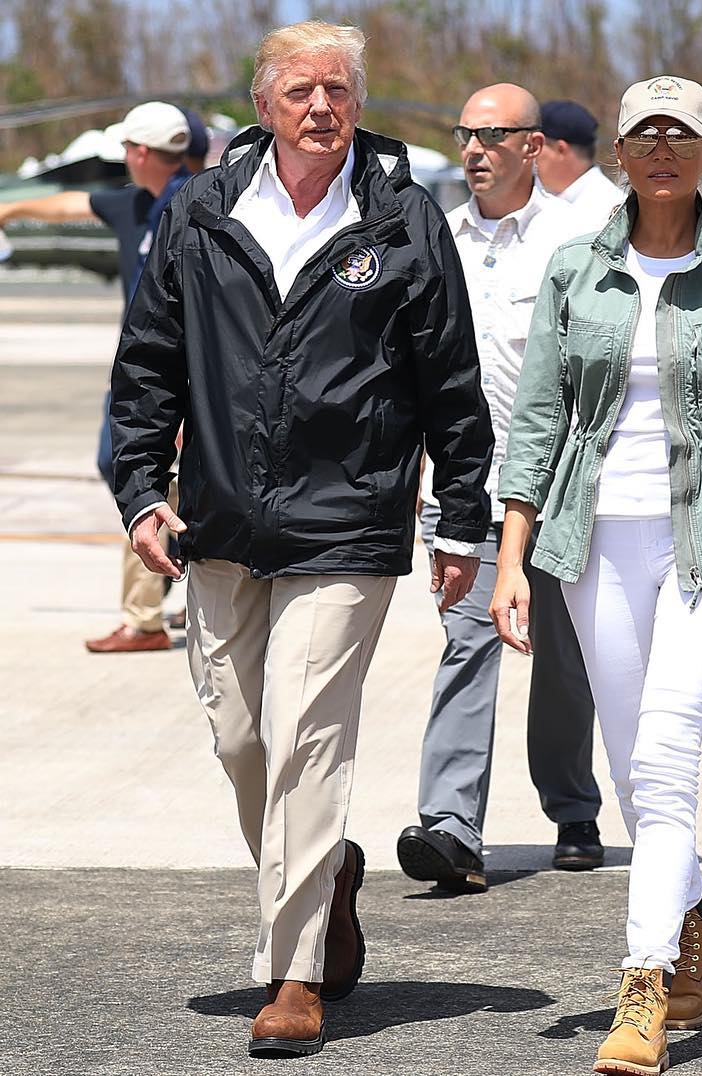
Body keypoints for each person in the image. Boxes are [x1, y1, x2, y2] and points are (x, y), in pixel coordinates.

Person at [109, 21, 492, 1058]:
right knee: (242, 740)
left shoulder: (403, 218)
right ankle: (328, 874)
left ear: (358, 103)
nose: (322, 107)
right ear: (263, 104)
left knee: (306, 735)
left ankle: (294, 972)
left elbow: (450, 379)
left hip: (348, 519)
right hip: (219, 522)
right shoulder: (200, 210)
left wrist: (460, 515)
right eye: (301, 91)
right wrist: (141, 491)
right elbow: (149, 362)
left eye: (339, 90)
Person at [490, 75, 702, 1075]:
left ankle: (642, 985)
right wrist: (511, 558)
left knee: (667, 750)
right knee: (635, 764)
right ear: (621, 156)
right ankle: (692, 924)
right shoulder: (575, 269)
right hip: (593, 541)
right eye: (646, 135)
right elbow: (538, 421)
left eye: (682, 134)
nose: (664, 148)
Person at [398, 83, 605, 894]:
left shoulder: (576, 241)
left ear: (534, 146)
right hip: (465, 488)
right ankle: (451, 828)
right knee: (466, 643)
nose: (474, 151)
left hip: (556, 486)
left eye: (492, 136)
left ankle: (573, 810)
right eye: (466, 136)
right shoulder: (434, 240)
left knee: (563, 659)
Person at [0, 102, 204, 653]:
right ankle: (169, 582)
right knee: (118, 464)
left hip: (178, 377)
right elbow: (70, 203)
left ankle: (148, 615)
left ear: (141, 152)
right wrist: (9, 210)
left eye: (127, 148)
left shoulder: (194, 204)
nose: (123, 157)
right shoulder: (132, 203)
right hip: (138, 373)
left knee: (147, 480)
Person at [537, 99, 624, 220]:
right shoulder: (544, 199)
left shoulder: (609, 210)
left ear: (560, 150)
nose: (530, 154)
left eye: (536, 146)